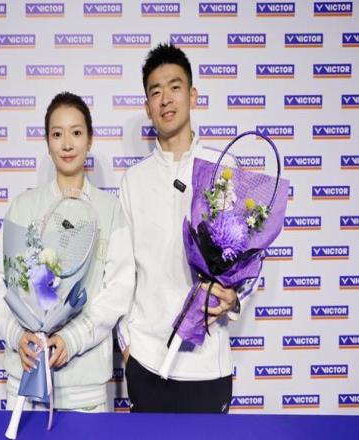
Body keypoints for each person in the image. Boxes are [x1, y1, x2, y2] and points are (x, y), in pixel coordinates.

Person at [116, 43, 258, 413]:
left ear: (192, 95)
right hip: (147, 363)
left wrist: (234, 298)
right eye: (155, 92)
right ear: (148, 107)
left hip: (208, 366)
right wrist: (128, 348)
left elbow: (252, 257)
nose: (166, 99)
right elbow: (119, 273)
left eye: (175, 87)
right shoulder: (133, 181)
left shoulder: (225, 167)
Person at [0, 92, 135, 412]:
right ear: (47, 142)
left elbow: (119, 290)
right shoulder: (23, 207)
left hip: (85, 388)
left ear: (90, 139)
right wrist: (17, 335)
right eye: (57, 134)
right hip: (25, 380)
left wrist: (73, 339)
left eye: (76, 132)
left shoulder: (110, 210)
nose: (67, 144)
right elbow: (2, 283)